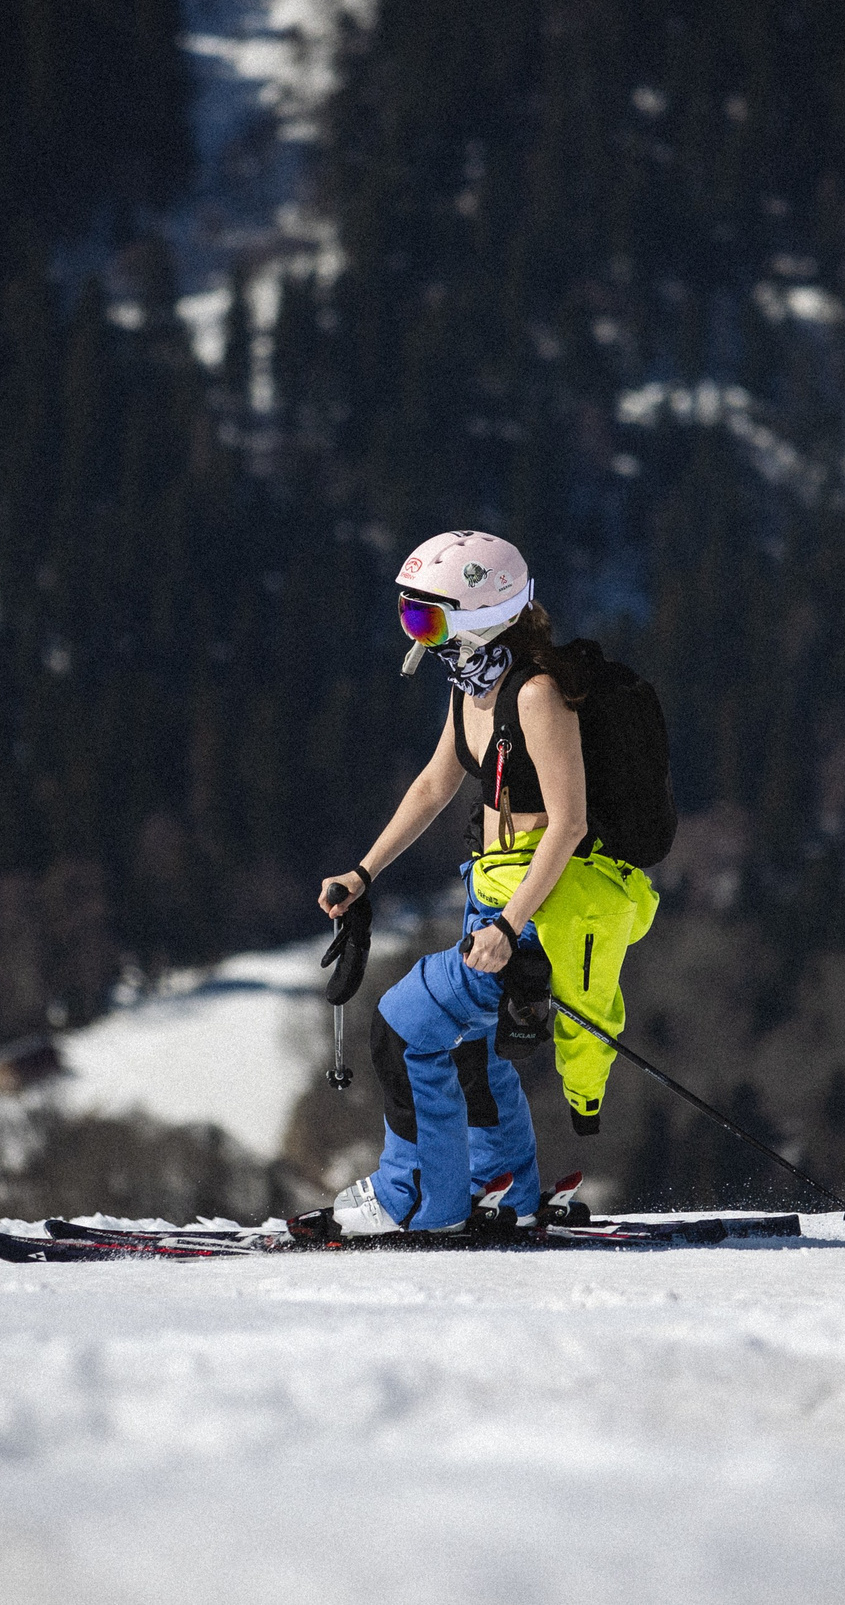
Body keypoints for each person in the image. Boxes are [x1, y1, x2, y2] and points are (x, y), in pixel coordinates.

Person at [304, 530, 659, 1238]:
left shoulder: (535, 696)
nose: (418, 635)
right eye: (411, 615)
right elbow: (437, 783)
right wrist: (364, 871)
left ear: (480, 613)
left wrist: (506, 928)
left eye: (426, 618)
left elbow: (567, 823)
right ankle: (507, 1188)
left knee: (403, 1028)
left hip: (536, 912)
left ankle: (415, 1200)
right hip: (493, 897)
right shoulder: (474, 685)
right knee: (470, 1045)